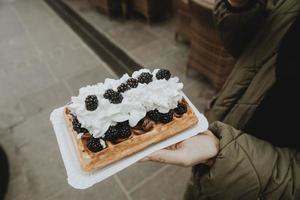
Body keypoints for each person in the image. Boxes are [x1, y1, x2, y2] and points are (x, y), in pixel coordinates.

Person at [141, 0, 300, 199]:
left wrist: (225, 153)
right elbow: (248, 47)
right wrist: (239, 7)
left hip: (254, 180)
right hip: (224, 130)